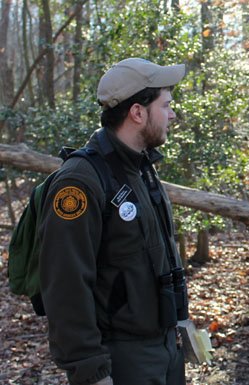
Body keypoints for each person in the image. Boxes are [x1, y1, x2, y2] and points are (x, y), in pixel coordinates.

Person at [39, 58, 188, 385]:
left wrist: (180, 324)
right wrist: (90, 370)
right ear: (138, 112)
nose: (172, 114)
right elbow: (65, 284)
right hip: (121, 360)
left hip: (163, 350)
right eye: (166, 105)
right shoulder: (80, 182)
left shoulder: (141, 168)